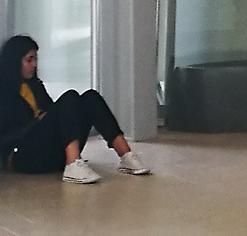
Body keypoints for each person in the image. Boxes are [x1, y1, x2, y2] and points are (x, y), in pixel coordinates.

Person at [0, 35, 150, 182]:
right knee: (70, 96)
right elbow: (6, 137)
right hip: (23, 156)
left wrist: (48, 118)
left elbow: (52, 112)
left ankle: (126, 155)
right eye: (29, 60)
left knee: (90, 97)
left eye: (35, 59)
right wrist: (36, 122)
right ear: (14, 61)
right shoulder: (4, 93)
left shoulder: (35, 85)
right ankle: (73, 164)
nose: (34, 64)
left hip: (51, 150)